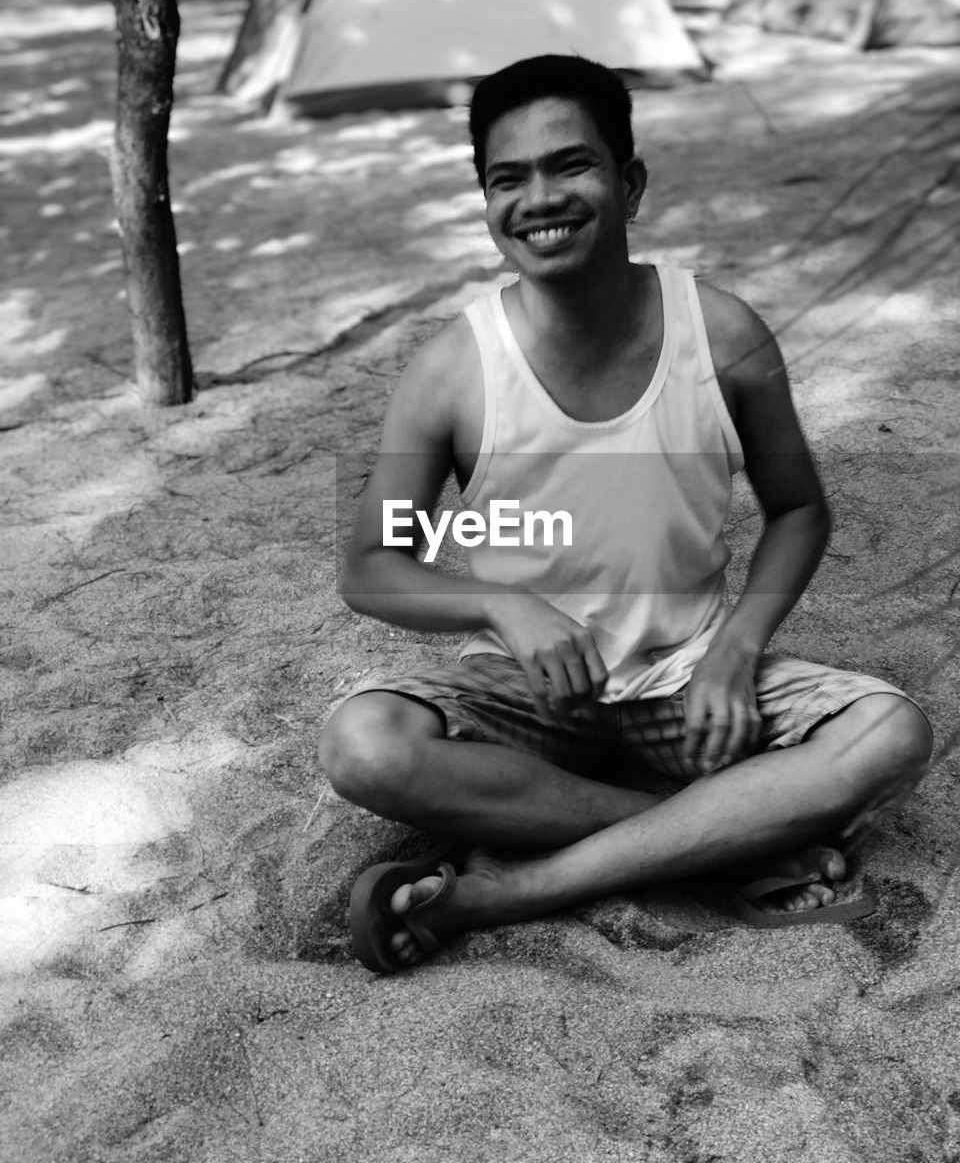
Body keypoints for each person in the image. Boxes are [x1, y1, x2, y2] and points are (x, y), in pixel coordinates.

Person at [319, 54, 932, 974]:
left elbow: (799, 510)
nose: (539, 198)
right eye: (506, 178)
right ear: (486, 204)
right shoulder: (451, 370)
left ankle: (518, 886)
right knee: (363, 745)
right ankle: (724, 839)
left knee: (893, 734)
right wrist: (500, 604)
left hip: (692, 692)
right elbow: (374, 562)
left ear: (630, 182)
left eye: (571, 165)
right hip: (525, 698)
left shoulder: (723, 335)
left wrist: (734, 652)